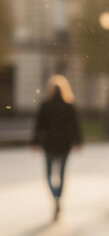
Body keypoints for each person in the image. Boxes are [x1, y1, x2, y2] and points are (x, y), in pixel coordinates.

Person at [32, 74, 83, 220]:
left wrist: (35, 143)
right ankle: (58, 197)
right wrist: (78, 142)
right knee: (61, 174)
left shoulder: (45, 105)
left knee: (48, 174)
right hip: (65, 144)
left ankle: (55, 196)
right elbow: (75, 126)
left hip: (49, 144)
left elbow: (38, 126)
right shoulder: (69, 106)